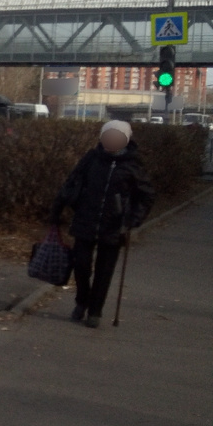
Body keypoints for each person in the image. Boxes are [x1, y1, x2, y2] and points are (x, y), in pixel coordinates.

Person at [49, 120, 155, 328]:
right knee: (80, 265)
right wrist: (56, 212)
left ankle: (95, 311)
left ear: (125, 140)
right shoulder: (91, 158)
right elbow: (71, 183)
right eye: (108, 136)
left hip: (114, 227)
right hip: (85, 220)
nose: (111, 141)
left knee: (104, 271)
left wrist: (132, 221)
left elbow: (147, 196)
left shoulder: (133, 165)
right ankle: (81, 301)